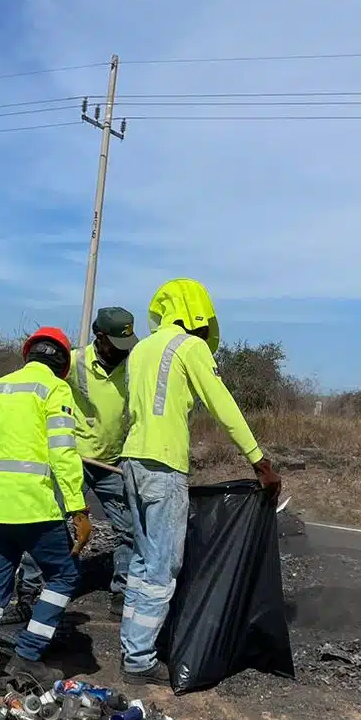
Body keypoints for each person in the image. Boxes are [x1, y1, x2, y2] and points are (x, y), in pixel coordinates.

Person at [118, 278, 280, 687]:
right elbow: (221, 403)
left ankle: (131, 645)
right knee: (163, 565)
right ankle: (138, 660)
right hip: (162, 465)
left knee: (141, 560)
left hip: (132, 462)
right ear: (195, 315)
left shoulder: (142, 348)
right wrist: (258, 459)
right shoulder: (188, 348)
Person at [0, 327, 93, 695]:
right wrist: (78, 508)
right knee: (64, 577)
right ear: (63, 365)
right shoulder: (56, 390)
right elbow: (62, 451)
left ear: (27, 355)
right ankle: (28, 654)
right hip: (36, 510)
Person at [17, 305, 138, 622]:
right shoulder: (73, 361)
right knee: (47, 524)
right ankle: (30, 591)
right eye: (116, 344)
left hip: (112, 461)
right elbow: (41, 388)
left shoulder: (133, 366)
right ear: (100, 337)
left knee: (130, 530)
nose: (123, 352)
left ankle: (122, 592)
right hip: (72, 458)